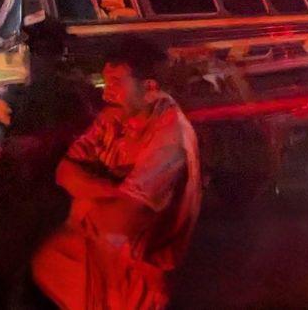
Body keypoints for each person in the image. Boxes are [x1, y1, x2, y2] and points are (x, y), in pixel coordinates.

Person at [31, 37, 202, 310]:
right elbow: (64, 171)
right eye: (106, 82)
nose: (105, 93)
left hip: (132, 282)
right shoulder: (116, 116)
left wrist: (88, 195)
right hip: (99, 262)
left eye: (116, 84)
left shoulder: (169, 141)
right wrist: (111, 192)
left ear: (149, 89)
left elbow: (121, 221)